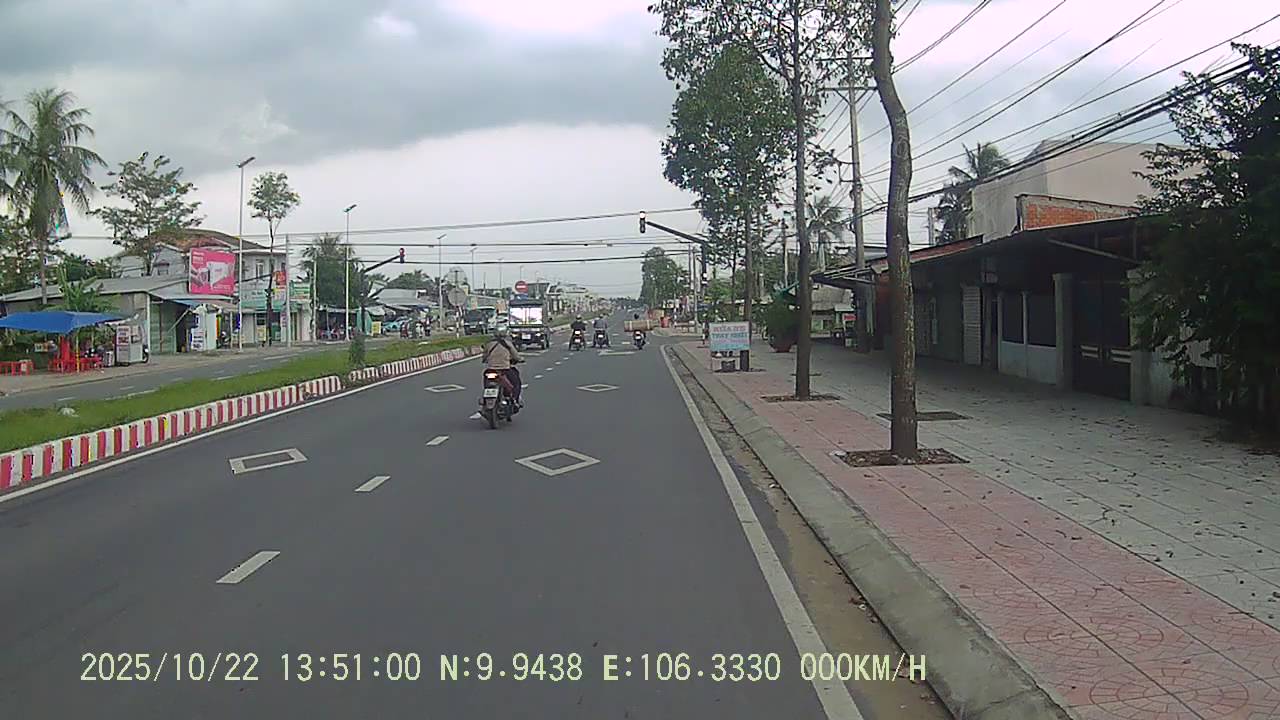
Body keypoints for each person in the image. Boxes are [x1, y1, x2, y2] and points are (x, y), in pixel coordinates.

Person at [482, 327, 523, 408]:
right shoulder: (508, 344)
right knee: (516, 383)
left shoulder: (489, 344)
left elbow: (484, 357)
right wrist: (520, 359)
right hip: (504, 369)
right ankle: (515, 400)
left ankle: (484, 400)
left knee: (486, 381)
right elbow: (516, 356)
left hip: (491, 369)